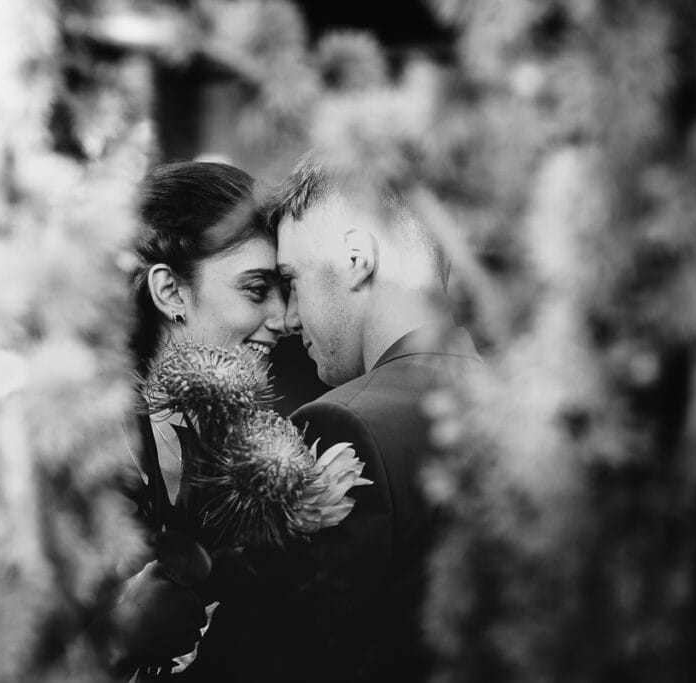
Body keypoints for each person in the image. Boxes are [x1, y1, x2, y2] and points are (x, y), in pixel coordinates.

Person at [182, 154, 484, 682]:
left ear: (356, 259)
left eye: (292, 279)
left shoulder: (344, 427)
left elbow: (275, 663)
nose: (290, 317)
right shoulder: (516, 407)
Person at [103, 159, 289, 677]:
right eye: (257, 290)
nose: (284, 319)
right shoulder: (84, 440)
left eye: (287, 291)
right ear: (170, 292)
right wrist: (118, 642)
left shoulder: (230, 443)